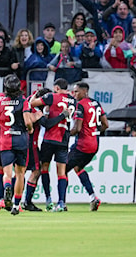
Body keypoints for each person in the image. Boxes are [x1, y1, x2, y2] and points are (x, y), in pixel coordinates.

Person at [0, 74, 34, 216]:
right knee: (20, 174)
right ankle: (16, 204)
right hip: (21, 140)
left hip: (5, 141)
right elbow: (27, 121)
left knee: (6, 174)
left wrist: (2, 128)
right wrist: (30, 129)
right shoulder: (23, 101)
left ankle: (7, 188)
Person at [30, 78, 76, 212]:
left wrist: (43, 110)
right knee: (61, 172)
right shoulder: (73, 101)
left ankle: (48, 199)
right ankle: (61, 202)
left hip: (50, 138)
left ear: (56, 88)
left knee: (44, 168)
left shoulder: (51, 97)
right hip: (64, 139)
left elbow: (32, 104)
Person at [66, 82, 109, 211]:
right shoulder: (96, 103)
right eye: (73, 91)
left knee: (62, 170)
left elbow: (77, 128)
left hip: (82, 145)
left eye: (76, 91)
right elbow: (106, 124)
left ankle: (61, 202)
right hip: (95, 144)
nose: (74, 94)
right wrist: (94, 131)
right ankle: (93, 197)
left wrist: (65, 134)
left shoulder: (80, 105)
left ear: (85, 92)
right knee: (78, 168)